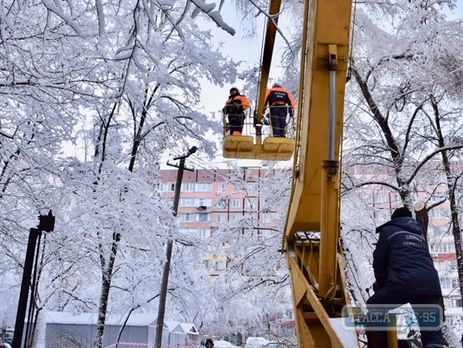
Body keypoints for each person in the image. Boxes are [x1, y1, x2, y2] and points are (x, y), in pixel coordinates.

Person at [366, 206, 446, 348]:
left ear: (394, 219)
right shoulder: (419, 234)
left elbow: (379, 261)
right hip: (431, 285)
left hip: (404, 282)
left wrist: (380, 282)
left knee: (375, 306)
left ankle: (391, 345)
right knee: (432, 335)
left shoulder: (388, 230)